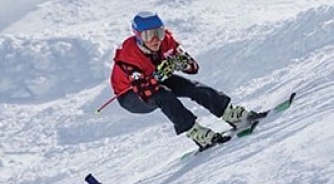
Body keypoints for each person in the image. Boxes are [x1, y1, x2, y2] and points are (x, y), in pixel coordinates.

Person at [110, 11, 264, 149]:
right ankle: (195, 132)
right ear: (138, 37)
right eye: (149, 35)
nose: (156, 40)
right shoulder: (128, 57)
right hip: (130, 95)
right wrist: (158, 76)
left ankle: (230, 113)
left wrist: (183, 63)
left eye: (159, 32)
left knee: (191, 87)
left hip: (157, 79)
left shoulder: (167, 41)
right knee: (163, 95)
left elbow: (194, 68)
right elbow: (145, 93)